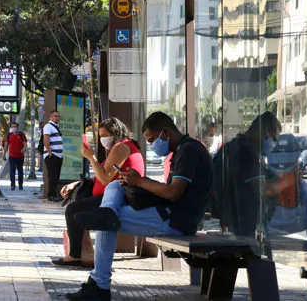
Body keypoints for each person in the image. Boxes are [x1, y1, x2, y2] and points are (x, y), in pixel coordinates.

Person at [65, 112, 213, 300]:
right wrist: (136, 181)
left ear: (165, 133)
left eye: (152, 139)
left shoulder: (189, 151)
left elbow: (174, 192)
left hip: (176, 220)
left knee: (105, 221)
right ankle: (107, 212)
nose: (152, 145)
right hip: (167, 212)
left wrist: (141, 182)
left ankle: (100, 285)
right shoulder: (182, 150)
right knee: (114, 188)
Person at [52, 117, 145, 268]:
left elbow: (105, 178)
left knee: (73, 209)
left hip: (118, 197)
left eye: (104, 135)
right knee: (76, 206)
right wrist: (75, 183)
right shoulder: (118, 147)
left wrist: (91, 157)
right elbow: (99, 174)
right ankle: (80, 252)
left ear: (115, 133)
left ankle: (75, 255)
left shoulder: (122, 147)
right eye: (100, 136)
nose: (103, 140)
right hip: (110, 195)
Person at [211, 111, 281, 258]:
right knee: (263, 263)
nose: (272, 143)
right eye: (273, 138)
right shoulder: (246, 152)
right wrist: (288, 181)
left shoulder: (231, 147)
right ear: (265, 133)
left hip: (230, 221)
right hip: (245, 226)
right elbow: (262, 190)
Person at [43, 110, 64, 201]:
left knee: (56, 176)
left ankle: (55, 194)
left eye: (58, 116)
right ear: (50, 117)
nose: (57, 118)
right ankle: (51, 195)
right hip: (52, 155)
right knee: (52, 176)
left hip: (58, 155)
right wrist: (49, 152)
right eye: (55, 116)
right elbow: (46, 139)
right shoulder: (48, 126)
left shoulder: (56, 127)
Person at [3, 122, 27, 190]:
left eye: (15, 126)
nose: (14, 128)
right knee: (12, 170)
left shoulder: (21, 134)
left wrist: (24, 149)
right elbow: (6, 145)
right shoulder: (9, 135)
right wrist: (4, 154)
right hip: (12, 156)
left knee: (20, 171)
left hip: (20, 156)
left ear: (17, 127)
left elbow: (25, 144)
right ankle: (12, 184)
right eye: (12, 126)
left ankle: (20, 184)